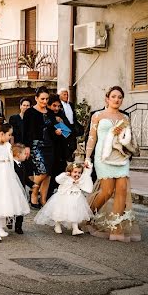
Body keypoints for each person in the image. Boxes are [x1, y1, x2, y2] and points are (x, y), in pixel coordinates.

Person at [83, 86, 141, 242]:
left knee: (122, 190)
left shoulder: (125, 118)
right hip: (103, 157)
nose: (117, 99)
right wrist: (87, 157)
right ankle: (87, 216)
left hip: (120, 157)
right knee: (107, 191)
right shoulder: (98, 116)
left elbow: (128, 139)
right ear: (107, 98)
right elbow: (92, 138)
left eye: (120, 97)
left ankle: (117, 229)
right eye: (114, 96)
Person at [22, 86, 59, 209]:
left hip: (50, 146)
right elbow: (25, 131)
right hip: (36, 146)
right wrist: (26, 147)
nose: (45, 101)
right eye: (42, 98)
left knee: (48, 174)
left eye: (47, 99)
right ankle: (34, 192)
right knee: (42, 172)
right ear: (36, 98)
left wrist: (58, 131)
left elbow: (55, 130)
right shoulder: (30, 112)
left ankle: (43, 200)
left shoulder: (50, 113)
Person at [33, 162, 93, 236]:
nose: (77, 174)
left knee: (75, 213)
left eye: (79, 173)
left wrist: (87, 169)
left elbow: (87, 180)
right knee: (59, 212)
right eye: (75, 172)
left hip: (75, 199)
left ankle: (75, 229)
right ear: (70, 172)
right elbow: (58, 179)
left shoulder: (80, 180)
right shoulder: (66, 178)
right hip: (63, 199)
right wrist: (65, 175)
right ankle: (57, 225)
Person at [10, 143, 34, 234]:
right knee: (11, 206)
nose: (26, 155)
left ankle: (18, 226)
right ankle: (9, 219)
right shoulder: (11, 165)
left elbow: (25, 178)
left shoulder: (23, 165)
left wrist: (32, 184)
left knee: (20, 208)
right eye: (24, 153)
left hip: (21, 191)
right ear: (18, 154)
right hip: (12, 190)